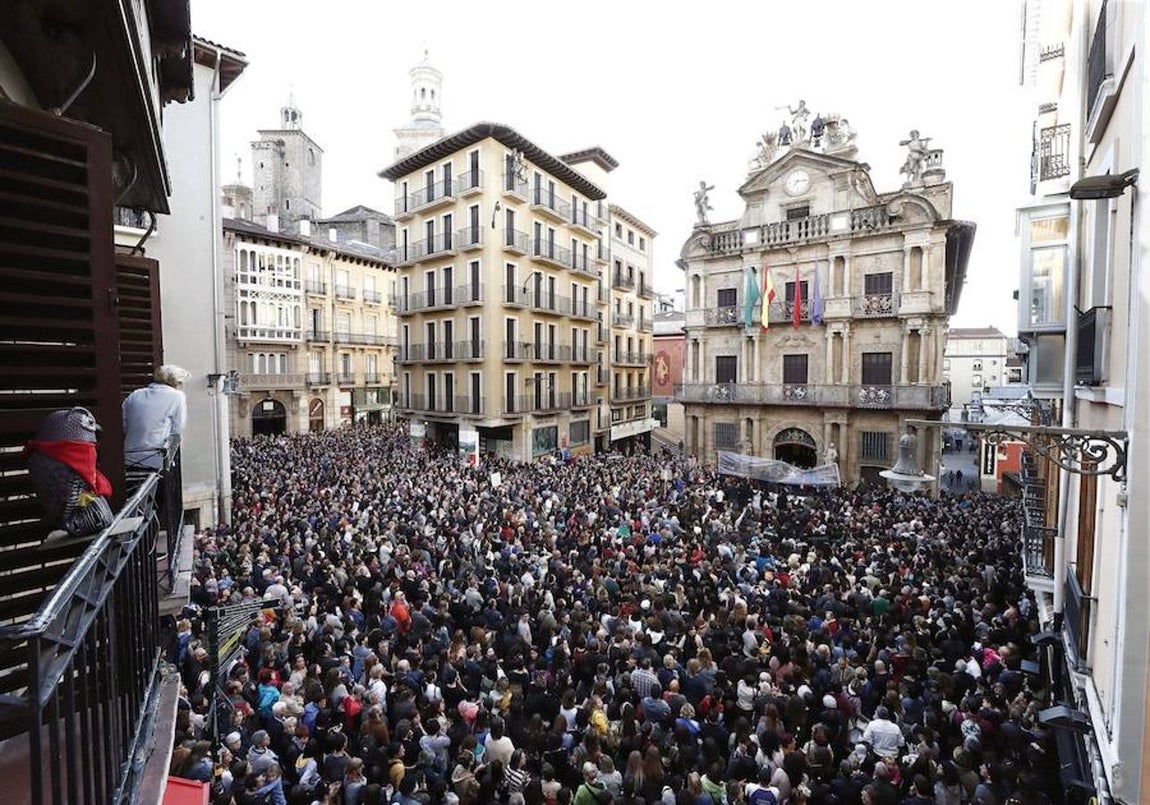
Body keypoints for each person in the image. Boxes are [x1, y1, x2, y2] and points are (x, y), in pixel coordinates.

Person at [123, 364, 188, 470]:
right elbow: (177, 429)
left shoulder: (135, 395)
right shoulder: (177, 396)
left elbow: (124, 424)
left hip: (130, 455)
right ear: (176, 382)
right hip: (155, 458)